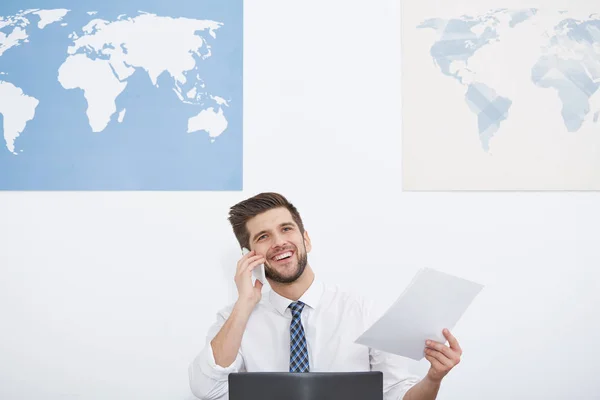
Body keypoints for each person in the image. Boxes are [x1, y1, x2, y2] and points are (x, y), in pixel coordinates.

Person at [188, 192, 463, 400]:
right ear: (250, 255)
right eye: (263, 236)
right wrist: (244, 304)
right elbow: (206, 389)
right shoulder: (234, 319)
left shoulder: (362, 311)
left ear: (305, 239)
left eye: (286, 229)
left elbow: (395, 393)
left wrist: (433, 379)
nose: (279, 242)